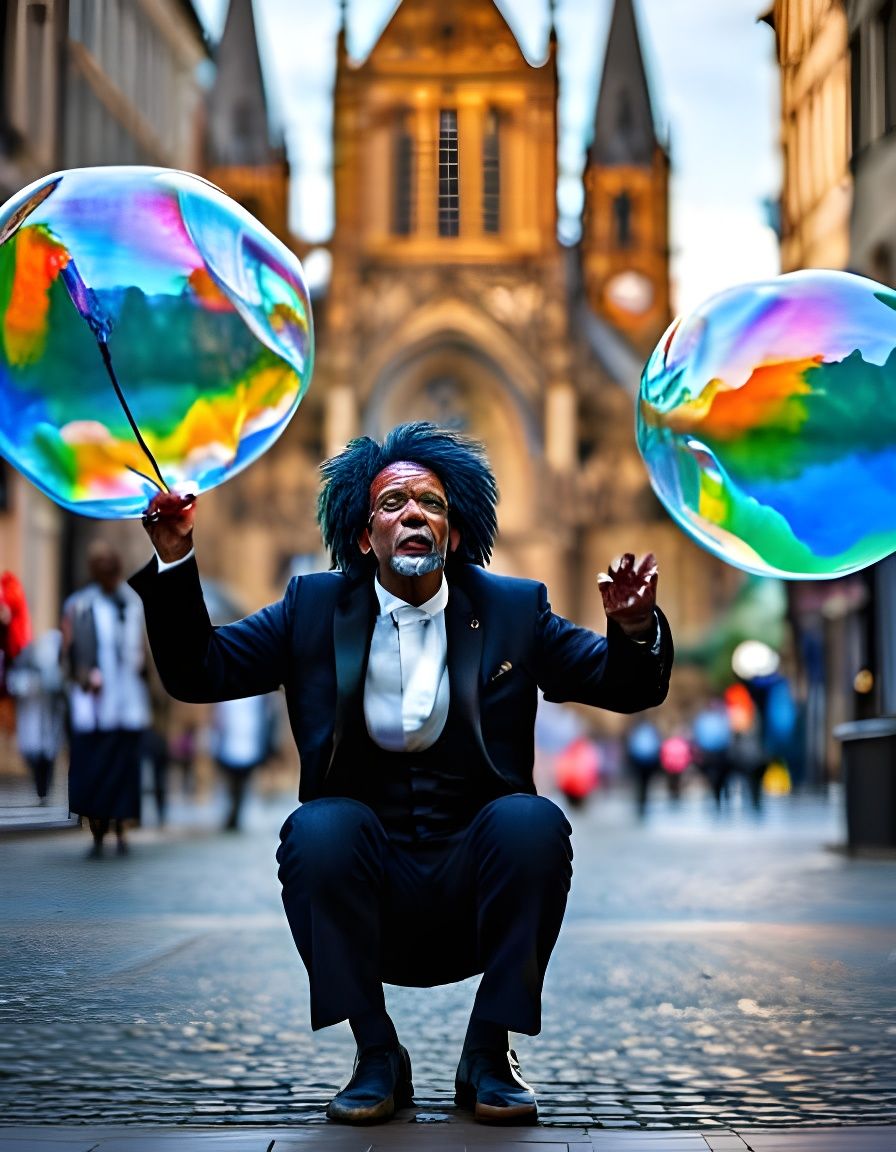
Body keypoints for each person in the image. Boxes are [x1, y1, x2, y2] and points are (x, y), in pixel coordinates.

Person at [132, 423, 673, 1127]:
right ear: (364, 537)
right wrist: (176, 563)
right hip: (366, 880)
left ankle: (488, 1053)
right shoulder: (312, 608)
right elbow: (198, 671)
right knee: (316, 830)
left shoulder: (513, 609)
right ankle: (376, 1054)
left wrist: (634, 630)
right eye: (393, 503)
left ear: (452, 534)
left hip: (475, 878)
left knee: (532, 824)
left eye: (431, 503)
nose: (414, 512)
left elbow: (623, 687)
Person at [62, 539, 151, 857]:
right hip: (94, 709)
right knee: (94, 774)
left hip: (127, 707)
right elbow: (69, 655)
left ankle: (121, 832)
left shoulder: (132, 603)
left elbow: (143, 653)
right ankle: (98, 833)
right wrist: (86, 676)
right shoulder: (79, 605)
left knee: (124, 775)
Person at [7, 629, 66, 803]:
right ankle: (42, 788)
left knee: (46, 758)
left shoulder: (56, 664)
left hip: (48, 724)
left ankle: (44, 789)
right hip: (33, 723)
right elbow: (15, 683)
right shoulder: (25, 658)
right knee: (34, 756)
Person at [211, 692, 276, 830]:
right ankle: (233, 812)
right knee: (231, 783)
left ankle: (235, 814)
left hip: (248, 746)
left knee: (241, 783)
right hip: (229, 746)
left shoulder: (259, 698)